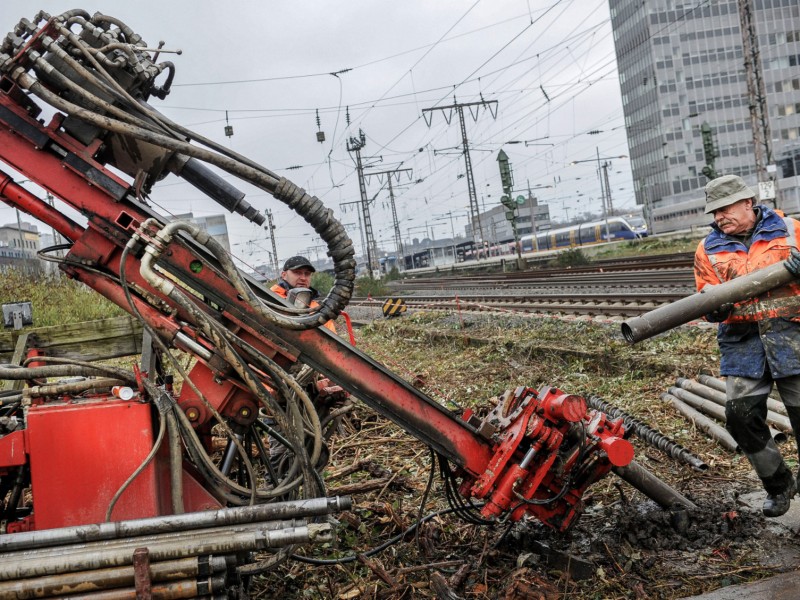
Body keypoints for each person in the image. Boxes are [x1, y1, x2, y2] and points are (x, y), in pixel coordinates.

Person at [694, 174, 800, 517]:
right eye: (714, 212)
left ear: (747, 203)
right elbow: (704, 298)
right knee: (739, 417)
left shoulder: (790, 230)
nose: (718, 217)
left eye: (724, 208)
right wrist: (714, 307)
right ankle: (779, 484)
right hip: (743, 344)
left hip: (792, 337)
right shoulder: (708, 249)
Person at [270, 255, 336, 333]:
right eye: (297, 272)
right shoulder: (270, 299)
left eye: (307, 274)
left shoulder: (316, 307)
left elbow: (331, 336)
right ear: (284, 275)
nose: (303, 278)